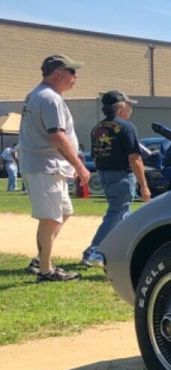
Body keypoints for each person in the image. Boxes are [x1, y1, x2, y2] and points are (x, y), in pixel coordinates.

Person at [18, 54, 89, 282]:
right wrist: (80, 166)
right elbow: (57, 136)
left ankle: (42, 259)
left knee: (63, 213)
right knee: (50, 218)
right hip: (45, 166)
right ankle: (46, 270)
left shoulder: (37, 95)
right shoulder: (49, 98)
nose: (75, 76)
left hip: (45, 166)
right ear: (58, 73)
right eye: (72, 72)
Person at [81, 91, 152, 266]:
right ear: (121, 107)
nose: (131, 109)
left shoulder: (98, 128)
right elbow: (134, 158)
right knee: (117, 212)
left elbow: (96, 155)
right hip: (121, 175)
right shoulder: (127, 127)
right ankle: (94, 251)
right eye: (130, 105)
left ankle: (123, 251)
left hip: (105, 174)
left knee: (125, 215)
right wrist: (144, 185)